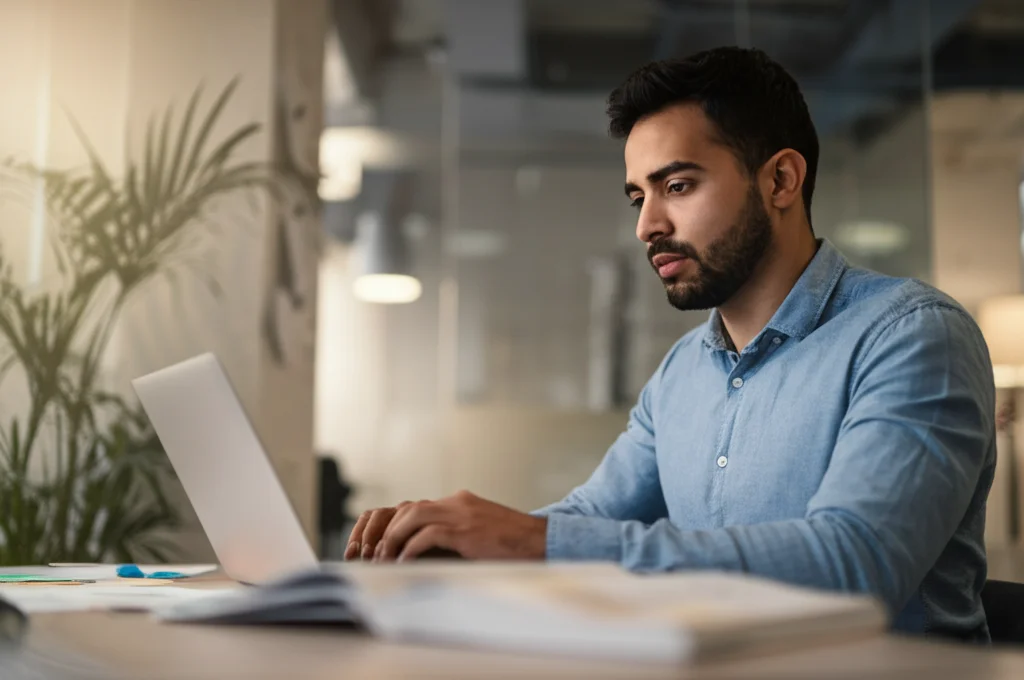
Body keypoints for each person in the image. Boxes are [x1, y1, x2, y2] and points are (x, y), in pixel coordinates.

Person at [343, 47, 996, 641]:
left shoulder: (912, 335)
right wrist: (441, 546)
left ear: (781, 182)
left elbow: (856, 564)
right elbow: (589, 515)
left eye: (678, 186)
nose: (648, 226)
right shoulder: (685, 370)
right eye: (639, 197)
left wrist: (527, 540)